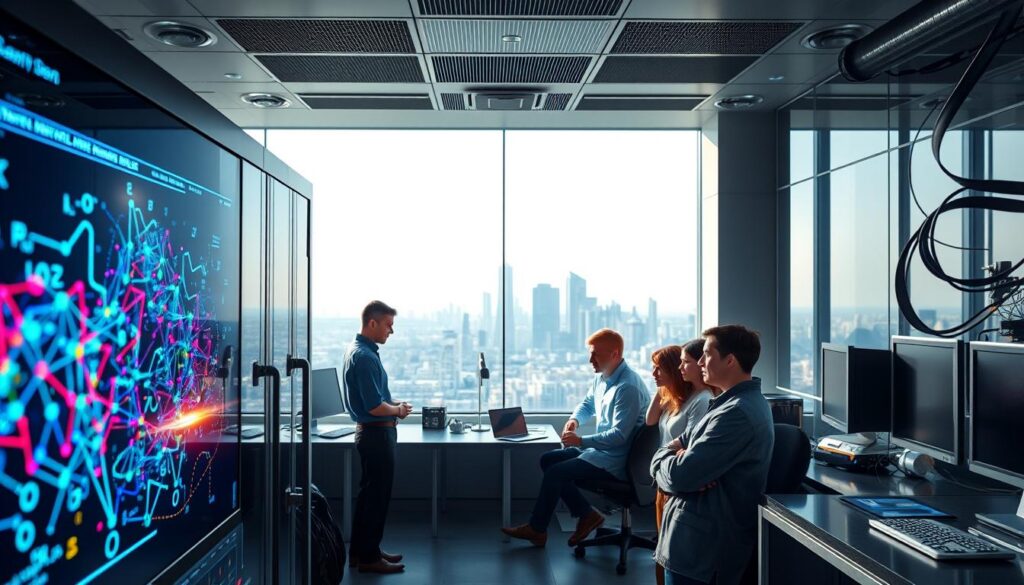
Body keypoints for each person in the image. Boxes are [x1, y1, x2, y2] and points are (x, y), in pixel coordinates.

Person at [502, 328, 650, 547]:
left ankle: (537, 529)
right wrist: (575, 420)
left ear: (615, 354)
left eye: (595, 355)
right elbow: (588, 404)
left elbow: (618, 436)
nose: (590, 360)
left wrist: (580, 441)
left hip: (617, 459)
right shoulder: (603, 378)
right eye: (590, 354)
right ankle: (586, 514)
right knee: (548, 459)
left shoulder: (627, 387)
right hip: (601, 452)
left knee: (556, 472)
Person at [650, 325, 774, 585]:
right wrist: (669, 457)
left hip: (702, 552)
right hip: (693, 543)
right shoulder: (723, 405)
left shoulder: (736, 414)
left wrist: (668, 460)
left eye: (706, 355)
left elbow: (681, 476)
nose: (700, 362)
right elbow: (669, 454)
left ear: (730, 361)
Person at [342, 300, 412, 574]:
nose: (391, 331)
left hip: (370, 433)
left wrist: (393, 405)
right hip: (377, 435)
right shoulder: (366, 358)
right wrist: (398, 411)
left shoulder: (358, 351)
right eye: (388, 325)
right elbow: (374, 406)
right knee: (377, 498)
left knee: (368, 497)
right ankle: (369, 558)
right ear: (372, 323)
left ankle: (362, 551)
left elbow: (374, 398)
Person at [645, 340, 714, 585]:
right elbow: (650, 420)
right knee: (662, 549)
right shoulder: (681, 398)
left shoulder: (703, 400)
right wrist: (663, 387)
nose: (654, 373)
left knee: (669, 552)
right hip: (663, 479)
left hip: (675, 482)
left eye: (659, 369)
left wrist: (669, 452)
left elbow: (690, 447)